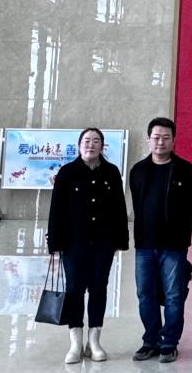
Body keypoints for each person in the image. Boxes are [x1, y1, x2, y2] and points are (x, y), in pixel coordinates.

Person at [46, 127, 129, 364]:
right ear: (79, 145)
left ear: (102, 146)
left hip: (103, 242)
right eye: (86, 140)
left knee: (99, 288)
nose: (90, 144)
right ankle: (75, 342)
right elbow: (56, 210)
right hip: (74, 243)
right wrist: (55, 243)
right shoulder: (67, 172)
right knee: (74, 288)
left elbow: (120, 208)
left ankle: (94, 341)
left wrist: (120, 241)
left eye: (95, 141)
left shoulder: (111, 172)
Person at [128, 117, 192, 363]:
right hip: (145, 245)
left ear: (174, 140)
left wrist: (181, 232)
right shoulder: (138, 170)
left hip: (174, 246)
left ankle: (169, 343)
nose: (160, 142)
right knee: (145, 294)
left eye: (166, 138)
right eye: (156, 137)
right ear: (148, 140)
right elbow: (137, 205)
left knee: (174, 295)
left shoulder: (186, 171)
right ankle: (150, 341)